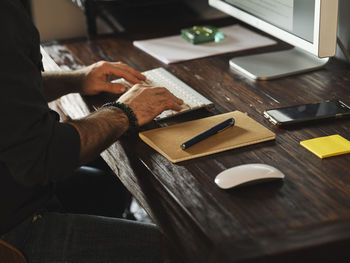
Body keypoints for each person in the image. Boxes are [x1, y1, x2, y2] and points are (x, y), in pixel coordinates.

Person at [0, 0, 183, 262]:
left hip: (15, 191)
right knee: (186, 249)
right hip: (14, 231)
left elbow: (12, 91)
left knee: (112, 187)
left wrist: (75, 79)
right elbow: (44, 156)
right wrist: (124, 112)